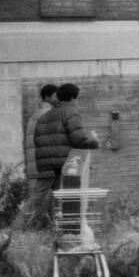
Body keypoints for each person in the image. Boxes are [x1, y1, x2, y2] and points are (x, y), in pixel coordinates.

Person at [30, 83, 101, 226]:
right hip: (62, 163)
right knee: (65, 198)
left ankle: (42, 226)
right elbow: (78, 138)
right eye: (77, 98)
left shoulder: (44, 116)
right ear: (73, 98)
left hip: (46, 163)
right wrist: (94, 141)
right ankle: (65, 227)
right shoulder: (71, 112)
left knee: (48, 197)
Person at [17, 84, 59, 228]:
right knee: (38, 199)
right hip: (46, 164)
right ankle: (17, 228)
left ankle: (50, 228)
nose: (58, 98)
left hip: (40, 163)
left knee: (50, 198)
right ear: (47, 97)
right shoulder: (48, 115)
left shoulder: (38, 114)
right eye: (56, 96)